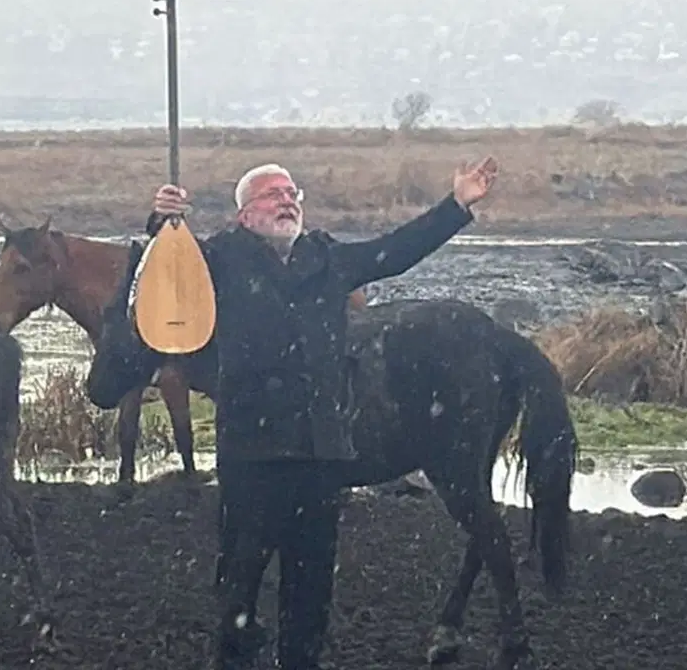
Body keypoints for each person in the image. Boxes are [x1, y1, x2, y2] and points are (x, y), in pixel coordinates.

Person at [86, 157, 498, 669]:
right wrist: (163, 224)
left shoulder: (326, 260)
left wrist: (456, 205)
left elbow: (394, 252)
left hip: (321, 457)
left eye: (291, 193)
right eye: (271, 194)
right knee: (238, 590)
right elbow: (163, 282)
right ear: (244, 215)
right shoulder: (216, 260)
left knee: (310, 598)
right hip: (252, 457)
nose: (286, 201)